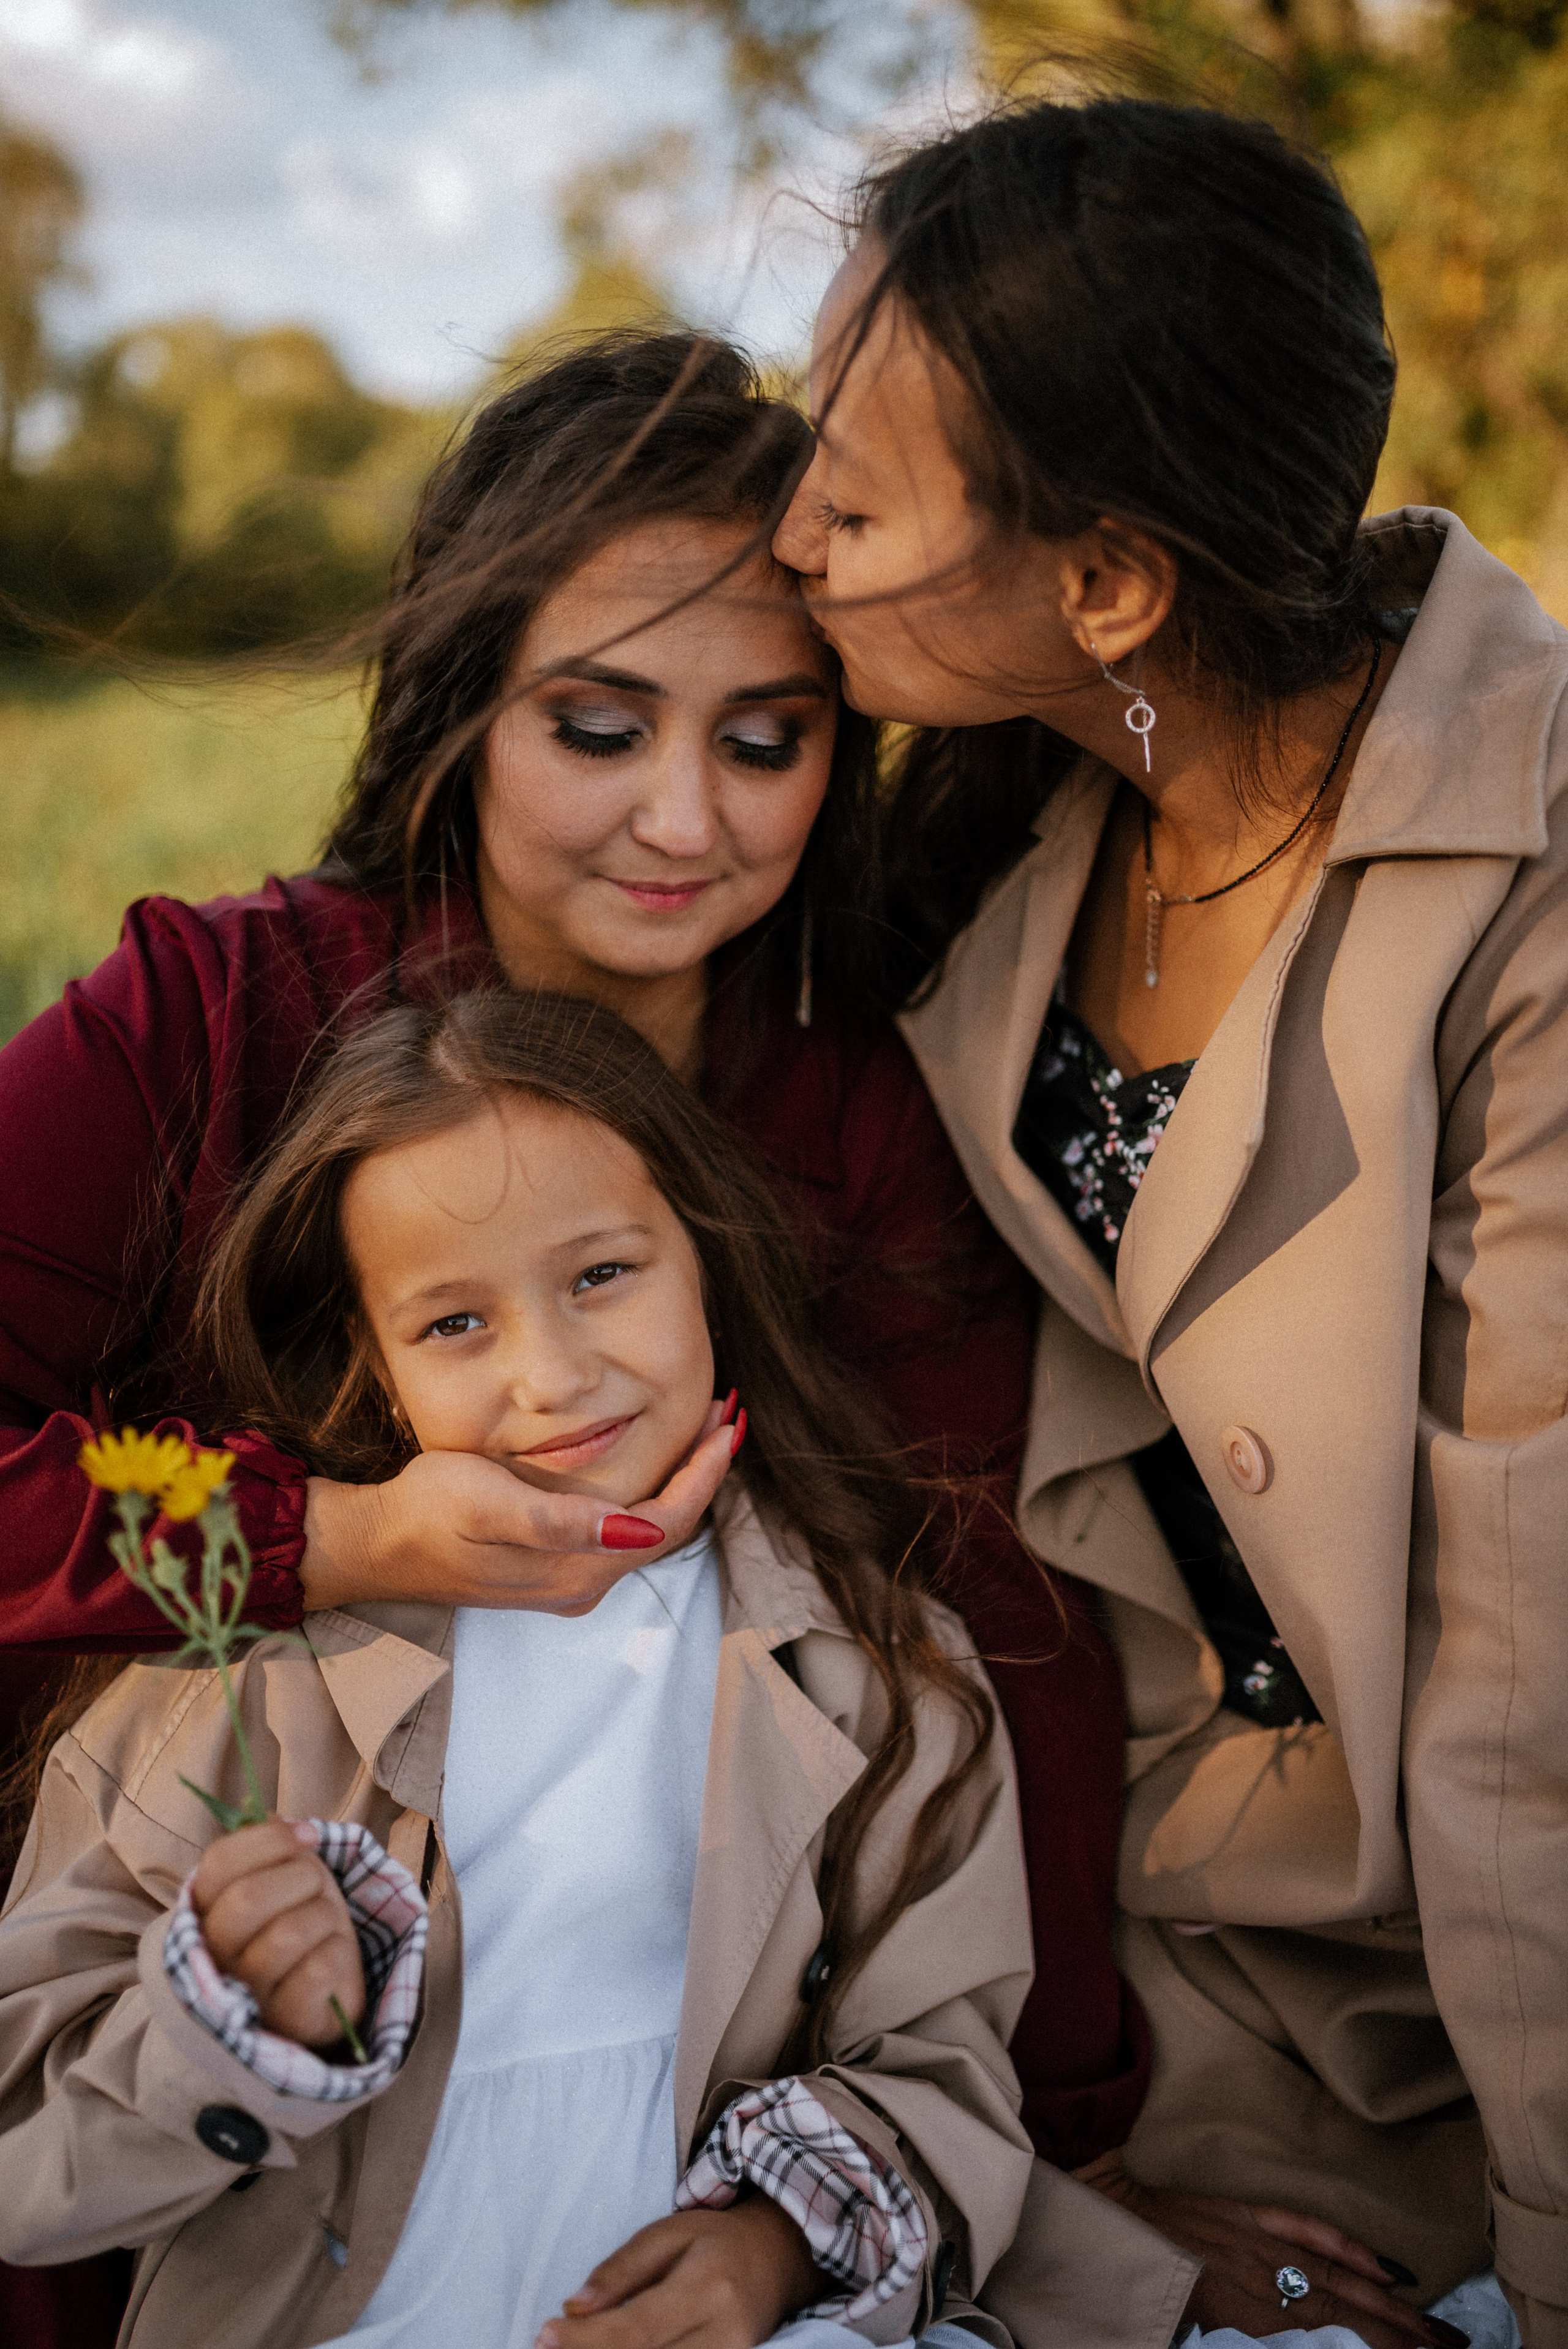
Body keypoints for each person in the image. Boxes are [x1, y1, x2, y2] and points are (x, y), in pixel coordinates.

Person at [0, 334, 1145, 2345]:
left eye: (767, 740)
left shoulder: (849, 1106)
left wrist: (1071, 2172)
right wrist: (329, 1540)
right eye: (599, 725)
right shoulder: (211, 1017)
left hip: (673, 2101)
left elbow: (987, 1612)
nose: (683, 817)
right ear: (465, 704)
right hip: (186, 2027)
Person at [773, 88, 1568, 2349]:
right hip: (1088, 1968)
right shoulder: (1003, 831)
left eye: (850, 492)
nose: (792, 538)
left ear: (1108, 581)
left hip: (1451, 1998)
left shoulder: (1531, 897)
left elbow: (1535, 1696)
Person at [0, 987, 1044, 2349]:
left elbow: (942, 2065)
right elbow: (28, 2167)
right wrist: (228, 2020)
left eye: (601, 1275)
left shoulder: (882, 1670)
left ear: (708, 1259)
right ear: (373, 1368)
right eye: (453, 1325)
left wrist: (777, 2246)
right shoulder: (240, 1682)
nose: (550, 1374)